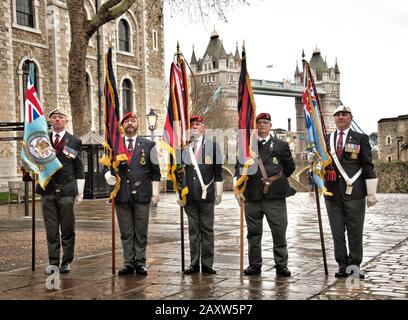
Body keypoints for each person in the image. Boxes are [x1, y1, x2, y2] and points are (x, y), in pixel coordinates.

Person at [235, 112, 296, 277]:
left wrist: (274, 181)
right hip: (252, 196)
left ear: (270, 125)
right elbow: (239, 168)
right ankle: (255, 265)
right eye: (259, 122)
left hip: (275, 197)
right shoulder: (247, 146)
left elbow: (290, 168)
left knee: (279, 232)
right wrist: (238, 189)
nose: (262, 125)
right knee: (253, 233)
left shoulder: (281, 145)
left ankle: (281, 265)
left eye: (265, 122)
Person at [324, 105, 378, 279]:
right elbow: (322, 163)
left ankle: (354, 266)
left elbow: (368, 166)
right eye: (338, 114)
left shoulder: (360, 138)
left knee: (355, 231)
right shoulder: (327, 139)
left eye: (344, 114)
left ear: (350, 118)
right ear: (334, 118)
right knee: (337, 232)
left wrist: (371, 193)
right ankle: (342, 264)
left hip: (354, 192)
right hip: (332, 193)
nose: (341, 117)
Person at [104, 112, 161, 276]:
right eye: (127, 121)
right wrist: (108, 175)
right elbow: (107, 165)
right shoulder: (114, 145)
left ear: (138, 124)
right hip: (121, 193)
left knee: (141, 231)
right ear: (122, 125)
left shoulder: (149, 145)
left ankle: (140, 262)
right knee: (126, 231)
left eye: (133, 120)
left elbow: (155, 172)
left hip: (142, 194)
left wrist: (155, 193)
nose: (130, 123)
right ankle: (128, 262)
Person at [36, 108, 85, 274]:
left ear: (66, 121)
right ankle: (53, 262)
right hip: (47, 189)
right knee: (51, 229)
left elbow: (78, 167)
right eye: (54, 118)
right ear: (50, 121)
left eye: (60, 117)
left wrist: (80, 191)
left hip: (67, 190)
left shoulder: (74, 141)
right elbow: (36, 162)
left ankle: (66, 261)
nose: (57, 120)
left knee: (67, 228)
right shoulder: (41, 140)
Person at [181, 115, 224, 275]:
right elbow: (180, 171)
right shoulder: (184, 147)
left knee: (207, 230)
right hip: (190, 197)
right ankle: (193, 263)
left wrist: (219, 193)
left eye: (198, 124)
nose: (195, 126)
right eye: (192, 124)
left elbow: (218, 172)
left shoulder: (213, 146)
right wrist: (181, 191)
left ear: (203, 128)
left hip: (207, 195)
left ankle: (206, 264)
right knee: (193, 231)